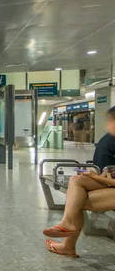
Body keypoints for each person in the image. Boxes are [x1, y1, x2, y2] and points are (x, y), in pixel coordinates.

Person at [42, 106, 115, 257]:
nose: (108, 125)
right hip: (108, 181)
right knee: (77, 181)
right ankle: (67, 224)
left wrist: (96, 178)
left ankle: (68, 243)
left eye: (111, 121)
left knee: (76, 201)